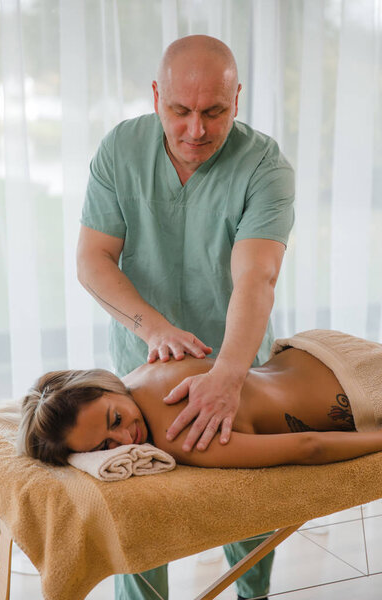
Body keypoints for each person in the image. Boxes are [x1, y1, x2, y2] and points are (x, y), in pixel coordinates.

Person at [77, 34, 294, 600]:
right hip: (139, 363)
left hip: (239, 367)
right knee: (141, 512)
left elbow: (257, 277)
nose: (195, 130)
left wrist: (227, 374)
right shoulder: (120, 150)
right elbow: (93, 258)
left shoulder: (264, 165)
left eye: (214, 112)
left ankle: (253, 594)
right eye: (179, 110)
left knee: (249, 512)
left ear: (238, 100)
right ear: (156, 96)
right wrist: (154, 329)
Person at [19, 329, 382, 470]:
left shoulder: (177, 433)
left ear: (107, 386)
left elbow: (309, 447)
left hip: (358, 392)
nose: (126, 439)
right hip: (311, 347)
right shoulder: (146, 369)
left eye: (116, 420)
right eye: (104, 446)